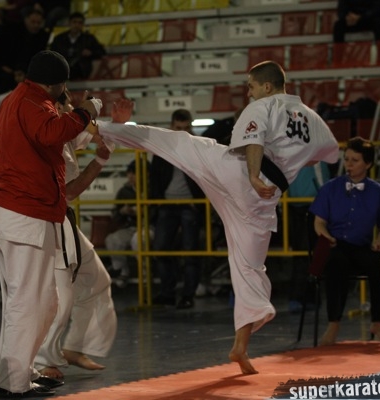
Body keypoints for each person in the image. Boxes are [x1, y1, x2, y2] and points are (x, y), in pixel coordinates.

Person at [96, 61, 340, 374]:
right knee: (249, 268)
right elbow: (329, 155)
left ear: (266, 86)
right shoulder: (314, 120)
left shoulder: (264, 105)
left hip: (239, 174)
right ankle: (241, 346)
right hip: (263, 199)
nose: (249, 93)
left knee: (178, 143)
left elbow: (253, 140)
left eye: (251, 86)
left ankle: (98, 128)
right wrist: (295, 158)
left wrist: (254, 175)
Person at [0, 50, 100, 397]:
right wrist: (86, 112)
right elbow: (51, 133)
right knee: (29, 302)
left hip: (21, 213)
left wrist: (83, 122)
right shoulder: (32, 102)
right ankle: (14, 381)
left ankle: (16, 372)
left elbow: (52, 135)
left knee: (41, 301)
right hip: (25, 213)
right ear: (57, 84)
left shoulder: (20, 99)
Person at [34, 89, 124, 380]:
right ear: (57, 108)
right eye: (70, 106)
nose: (75, 111)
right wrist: (100, 161)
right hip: (46, 221)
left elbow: (94, 132)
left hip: (62, 219)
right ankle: (42, 360)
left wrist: (117, 124)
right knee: (60, 294)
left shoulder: (66, 133)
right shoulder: (51, 138)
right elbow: (70, 191)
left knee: (96, 280)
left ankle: (75, 346)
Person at [309, 137, 380, 346]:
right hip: (336, 244)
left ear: (368, 163)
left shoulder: (378, 192)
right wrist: (325, 236)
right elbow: (319, 222)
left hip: (363, 245)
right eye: (347, 159)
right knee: (336, 263)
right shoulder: (330, 188)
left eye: (355, 160)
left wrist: (379, 241)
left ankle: (378, 322)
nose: (349, 164)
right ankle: (333, 323)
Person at [150, 109, 205, 310]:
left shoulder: (198, 146)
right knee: (161, 249)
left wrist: (198, 201)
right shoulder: (164, 147)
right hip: (168, 204)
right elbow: (154, 177)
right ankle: (169, 293)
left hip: (189, 204)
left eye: (186, 128)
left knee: (191, 252)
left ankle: (186, 295)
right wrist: (158, 202)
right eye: (179, 128)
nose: (183, 131)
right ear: (172, 126)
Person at [286, 162, 330, 313]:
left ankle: (303, 297)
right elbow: (321, 179)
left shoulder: (292, 155)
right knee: (308, 253)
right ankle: (306, 297)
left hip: (297, 203)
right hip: (311, 203)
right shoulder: (316, 156)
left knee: (303, 253)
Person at [0, 8, 49, 93]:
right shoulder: (11, 29)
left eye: (38, 23)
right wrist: (3, 65)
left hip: (27, 72)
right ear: (26, 20)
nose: (36, 25)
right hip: (5, 70)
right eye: (33, 22)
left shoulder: (43, 36)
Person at [104, 160, 138, 287]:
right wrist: (122, 211)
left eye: (134, 173)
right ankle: (122, 270)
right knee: (112, 239)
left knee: (138, 241)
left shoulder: (153, 190)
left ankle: (145, 274)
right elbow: (115, 214)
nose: (130, 176)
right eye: (129, 173)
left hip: (149, 227)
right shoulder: (124, 191)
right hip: (130, 227)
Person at [50, 12, 106, 81]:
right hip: (62, 69)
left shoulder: (89, 39)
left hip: (81, 70)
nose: (77, 25)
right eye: (74, 22)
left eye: (80, 23)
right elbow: (52, 54)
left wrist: (91, 53)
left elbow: (102, 52)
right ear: (69, 23)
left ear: (83, 25)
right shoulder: (59, 39)